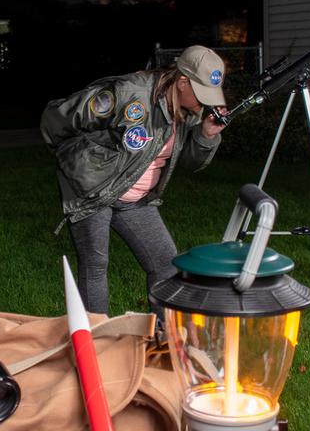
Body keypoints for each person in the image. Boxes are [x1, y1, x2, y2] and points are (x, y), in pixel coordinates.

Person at [40, 47, 228, 316]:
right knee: (95, 265)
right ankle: (95, 344)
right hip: (94, 191)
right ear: (183, 81)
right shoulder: (128, 94)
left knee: (166, 264)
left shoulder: (190, 110)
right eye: (201, 94)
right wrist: (73, 161)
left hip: (136, 199)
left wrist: (207, 136)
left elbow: (190, 163)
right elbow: (56, 118)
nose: (204, 102)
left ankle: (164, 337)